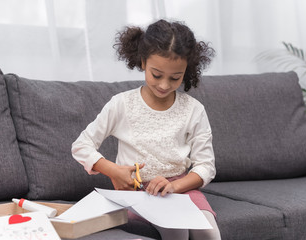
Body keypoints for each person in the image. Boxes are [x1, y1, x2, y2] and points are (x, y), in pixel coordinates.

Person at [72, 19, 221, 240]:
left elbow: (206, 166)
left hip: (181, 189)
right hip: (136, 192)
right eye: (156, 75)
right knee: (176, 231)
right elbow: (81, 146)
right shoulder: (122, 104)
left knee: (209, 234)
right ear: (143, 62)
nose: (164, 85)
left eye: (175, 78)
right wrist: (113, 170)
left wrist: (175, 186)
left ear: (186, 71)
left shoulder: (193, 110)